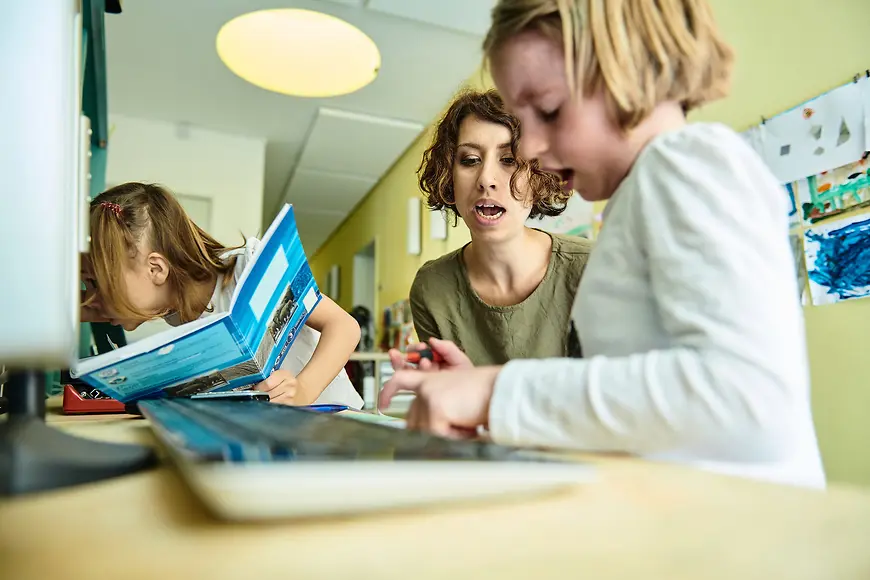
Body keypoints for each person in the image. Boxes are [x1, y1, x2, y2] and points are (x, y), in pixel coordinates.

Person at [380, 0, 825, 488]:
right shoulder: (636, 198)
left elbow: (749, 402)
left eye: (548, 110)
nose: (528, 149)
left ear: (627, 72)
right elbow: (634, 415)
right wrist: (477, 391)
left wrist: (496, 390)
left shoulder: (684, 164)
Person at [81, 182, 363, 408]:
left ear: (156, 269)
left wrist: (302, 390)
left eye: (97, 283)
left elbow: (344, 327)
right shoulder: (175, 310)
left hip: (333, 418)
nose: (94, 298)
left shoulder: (247, 267)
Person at [396, 89, 593, 371]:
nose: (486, 178)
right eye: (470, 160)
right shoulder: (432, 288)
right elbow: (455, 402)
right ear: (448, 177)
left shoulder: (594, 267)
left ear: (540, 174)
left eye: (509, 159)